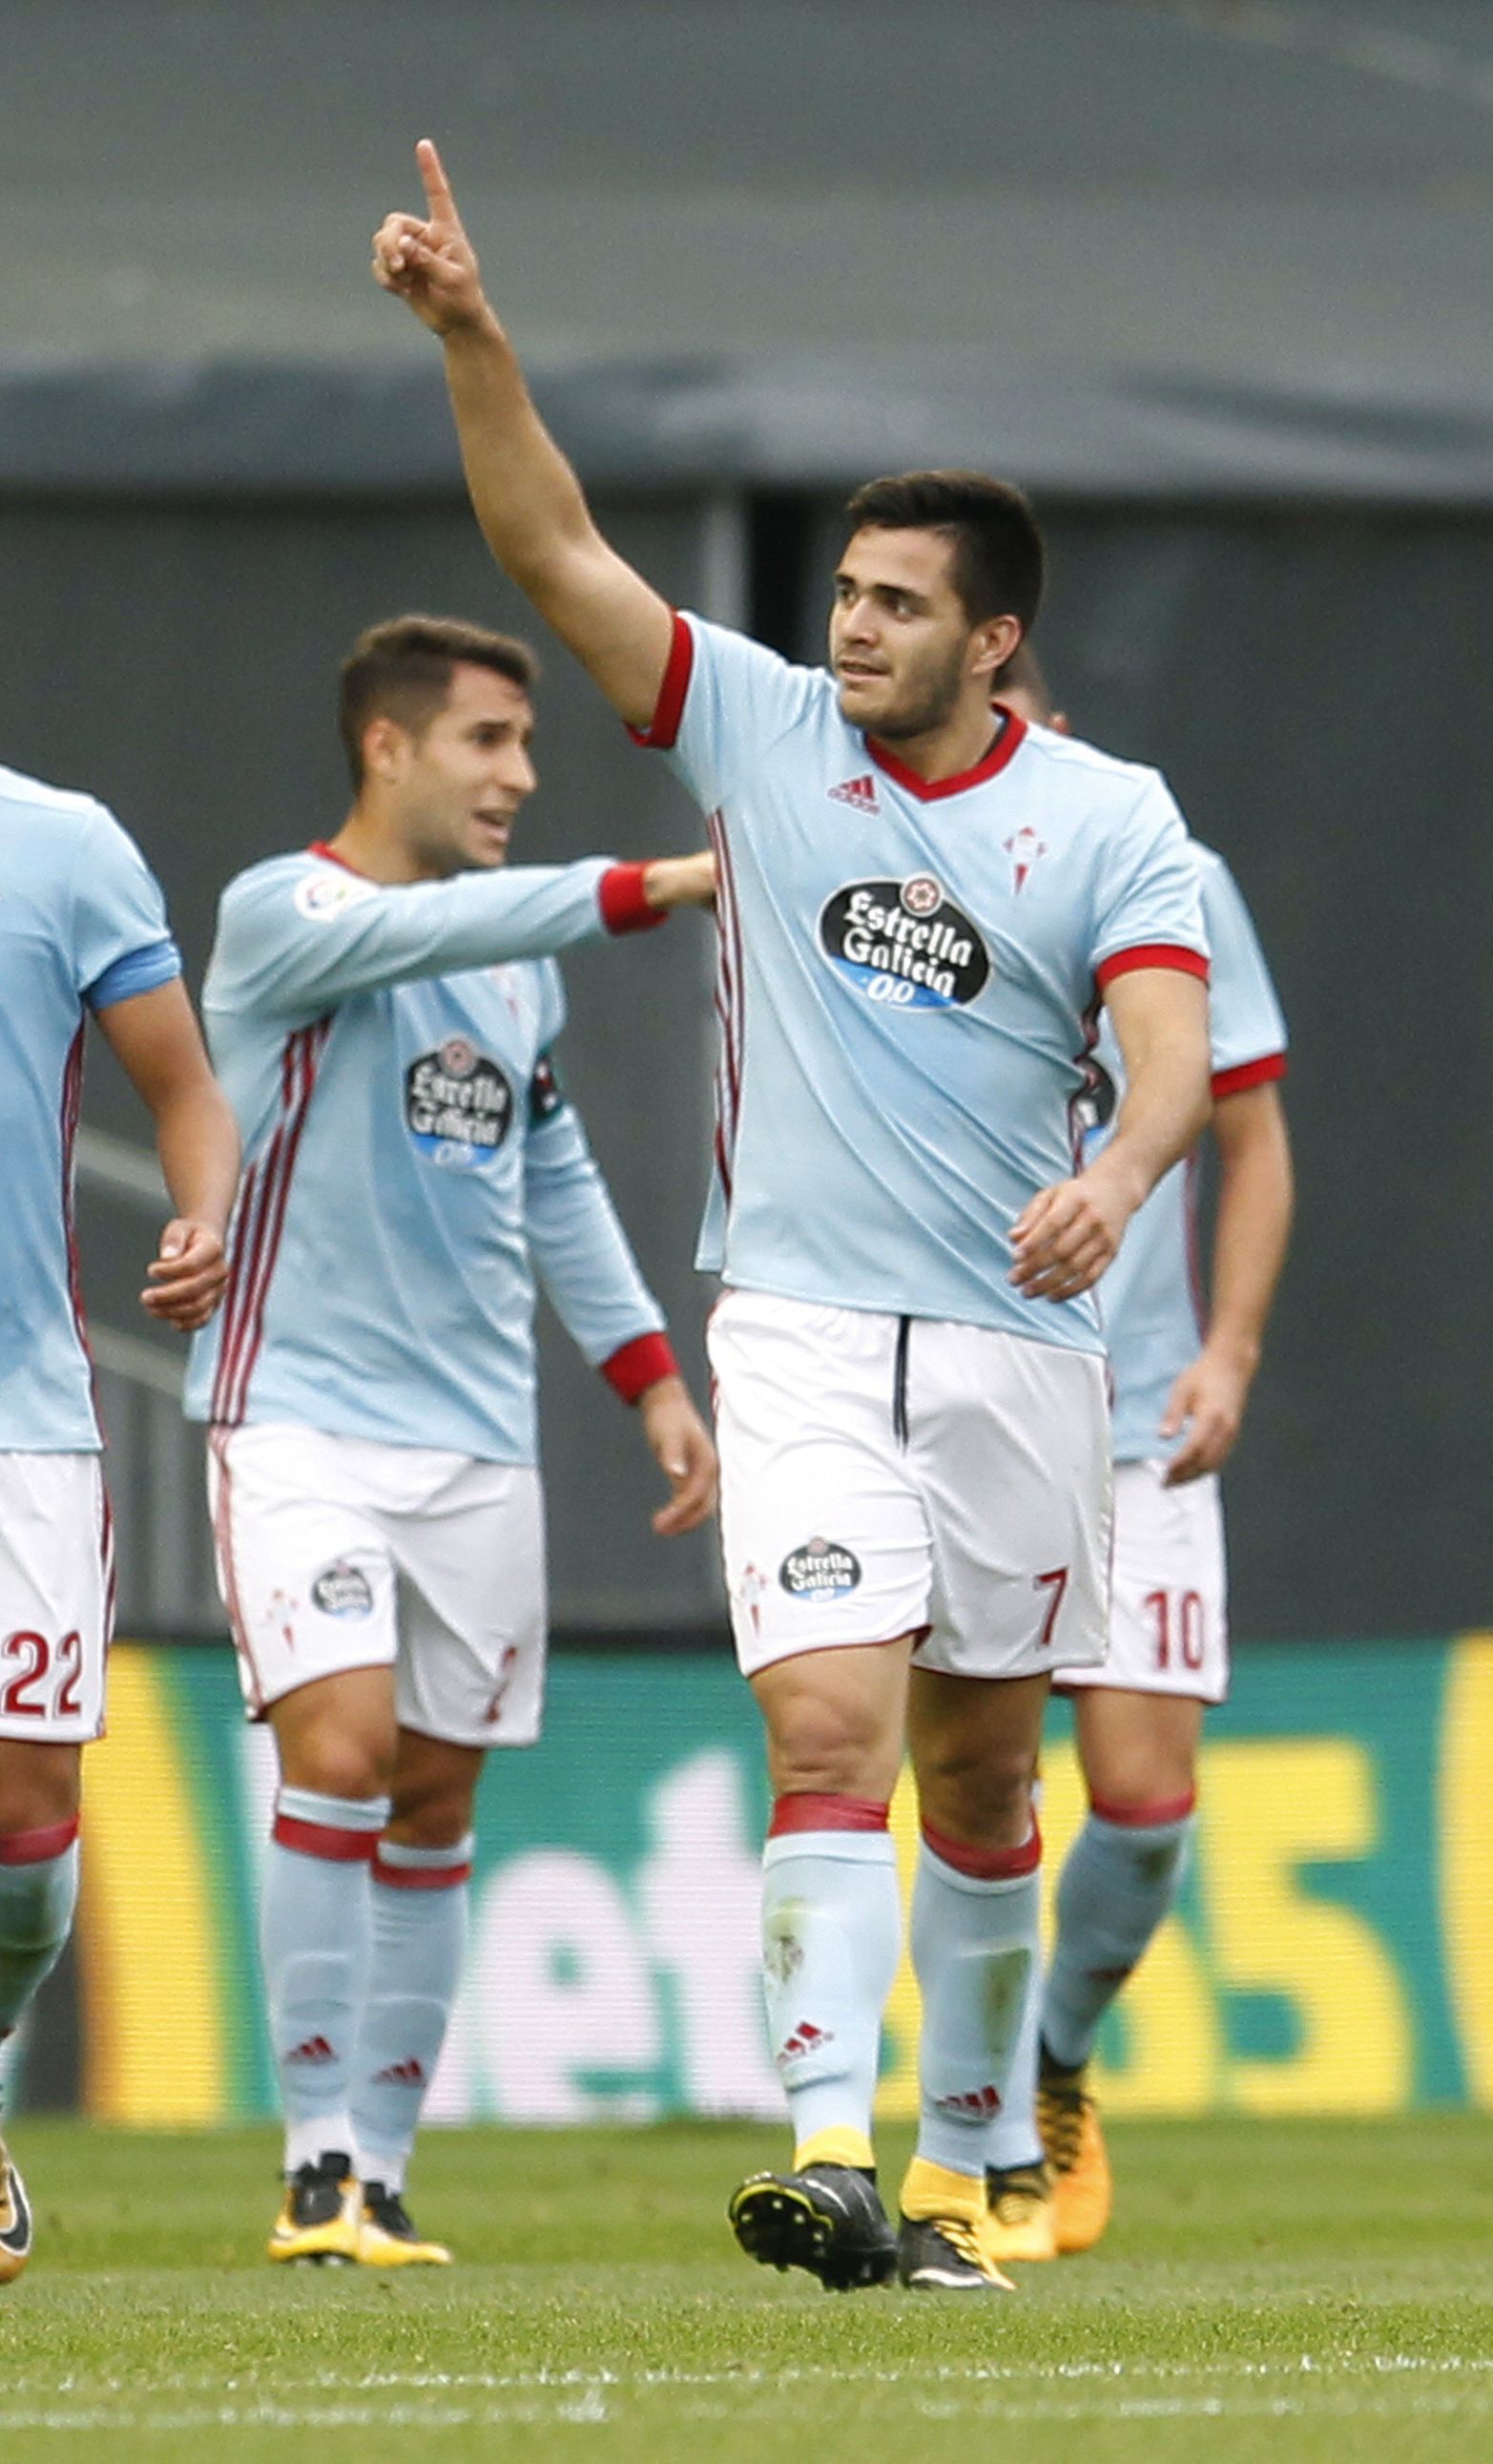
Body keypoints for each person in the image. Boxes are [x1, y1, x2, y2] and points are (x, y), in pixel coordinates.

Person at [371, 144, 1213, 2294]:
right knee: (828, 1725)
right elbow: (545, 544)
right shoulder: (755, 730)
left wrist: (1112, 1173)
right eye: (840, 591)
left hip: (1026, 1350)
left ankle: (962, 2169)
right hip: (810, 1335)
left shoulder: (1108, 818)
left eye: (894, 602)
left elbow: (1173, 1059)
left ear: (990, 636)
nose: (847, 625)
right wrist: (477, 338)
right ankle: (832, 2157)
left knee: (984, 1767)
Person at [183, 614, 717, 2267]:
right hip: (299, 1420)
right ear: (389, 748)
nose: (522, 775)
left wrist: (649, 1376)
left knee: (432, 1798)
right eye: (489, 740)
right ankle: (313, 2160)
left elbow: (547, 1176)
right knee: (336, 1752)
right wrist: (666, 884)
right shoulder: (286, 916)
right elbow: (452, 919)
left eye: (528, 743)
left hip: (479, 1442)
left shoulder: (512, 965)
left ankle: (386, 2175)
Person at [991, 648, 1292, 2262]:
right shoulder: (885, 874)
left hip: (1135, 1414)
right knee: (942, 1772)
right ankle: (957, 2135)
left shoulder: (1166, 872)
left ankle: (1050, 2069)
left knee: (1144, 1798)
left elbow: (1250, 1138)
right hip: (954, 1397)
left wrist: (1231, 1346)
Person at [1, 762, 238, 2286]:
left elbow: (188, 1093)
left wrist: (202, 1216)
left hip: (18, 1414)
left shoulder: (65, 842)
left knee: (25, 1831)